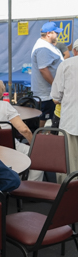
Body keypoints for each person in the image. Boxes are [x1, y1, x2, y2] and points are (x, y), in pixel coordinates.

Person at [0, 77, 43, 181]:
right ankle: (31, 185)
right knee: (38, 156)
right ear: (2, 93)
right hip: (7, 148)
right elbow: (24, 129)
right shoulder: (5, 106)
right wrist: (34, 145)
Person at [51, 39, 78, 183]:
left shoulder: (66, 65)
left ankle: (69, 196)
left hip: (71, 121)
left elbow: (55, 97)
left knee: (69, 165)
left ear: (74, 51)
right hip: (71, 121)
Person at [31, 22, 64, 128]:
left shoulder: (46, 46)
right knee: (43, 119)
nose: (58, 35)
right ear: (49, 34)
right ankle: (38, 141)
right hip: (46, 93)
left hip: (49, 92)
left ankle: (45, 138)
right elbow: (43, 69)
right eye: (56, 33)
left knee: (48, 119)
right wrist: (56, 85)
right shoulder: (43, 48)